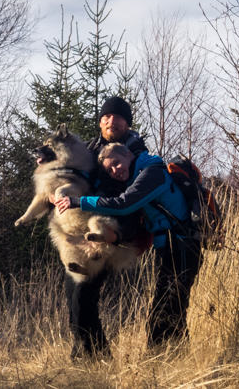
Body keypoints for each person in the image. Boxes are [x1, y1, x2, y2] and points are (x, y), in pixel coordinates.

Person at [55, 140, 203, 350]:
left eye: (117, 162)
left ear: (129, 156)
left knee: (167, 308)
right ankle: (174, 358)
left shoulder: (153, 173)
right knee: (169, 306)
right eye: (110, 169)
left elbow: (125, 204)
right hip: (169, 247)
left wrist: (79, 201)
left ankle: (163, 359)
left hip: (183, 245)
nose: (116, 170)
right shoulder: (137, 176)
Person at [58, 97, 149, 359]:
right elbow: (67, 174)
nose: (112, 121)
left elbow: (132, 202)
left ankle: (94, 357)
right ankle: (86, 353)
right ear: (100, 121)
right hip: (82, 230)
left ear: (127, 123)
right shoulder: (88, 150)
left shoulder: (137, 155)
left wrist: (118, 233)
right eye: (107, 117)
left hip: (114, 233)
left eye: (118, 117)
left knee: (84, 295)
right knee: (72, 293)